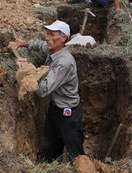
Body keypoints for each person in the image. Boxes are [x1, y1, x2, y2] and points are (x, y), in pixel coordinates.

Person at [8, 20, 84, 162]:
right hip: (54, 109)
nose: (47, 38)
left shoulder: (64, 63)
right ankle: (52, 171)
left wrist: (26, 70)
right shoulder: (53, 49)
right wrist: (19, 44)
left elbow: (43, 90)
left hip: (68, 114)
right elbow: (38, 44)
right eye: (47, 34)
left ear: (63, 38)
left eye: (52, 34)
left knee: (76, 155)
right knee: (50, 148)